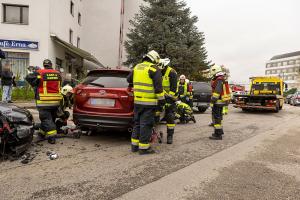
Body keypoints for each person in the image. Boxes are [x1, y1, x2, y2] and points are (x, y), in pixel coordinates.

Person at [127, 50, 165, 155]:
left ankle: (134, 147)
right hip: (149, 103)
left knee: (137, 124)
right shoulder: (154, 69)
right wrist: (162, 102)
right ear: (154, 59)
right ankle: (144, 148)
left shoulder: (137, 67)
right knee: (146, 125)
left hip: (137, 102)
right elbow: (158, 88)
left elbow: (128, 79)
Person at [25, 59, 63, 144]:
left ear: (44, 65)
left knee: (46, 118)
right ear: (51, 65)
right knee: (50, 118)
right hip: (56, 101)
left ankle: (52, 137)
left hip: (44, 101)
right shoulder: (58, 73)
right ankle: (42, 133)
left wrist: (35, 80)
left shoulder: (40, 72)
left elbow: (28, 78)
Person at [209, 64, 231, 140]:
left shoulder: (218, 79)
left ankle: (218, 135)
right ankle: (220, 131)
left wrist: (212, 101)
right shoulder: (221, 78)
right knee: (219, 117)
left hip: (218, 102)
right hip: (221, 101)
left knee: (216, 118)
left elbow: (217, 92)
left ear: (214, 71)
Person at [159, 58, 177, 144]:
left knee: (170, 117)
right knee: (156, 116)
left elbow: (173, 89)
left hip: (170, 99)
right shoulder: (158, 71)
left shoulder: (172, 72)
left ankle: (170, 136)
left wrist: (169, 101)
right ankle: (155, 135)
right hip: (160, 98)